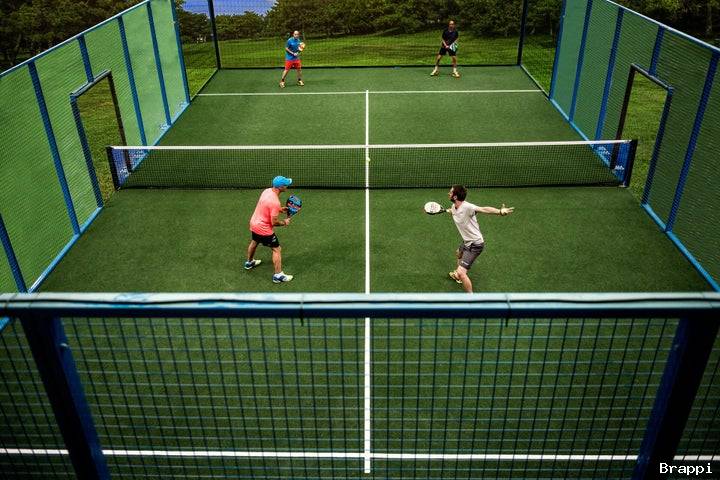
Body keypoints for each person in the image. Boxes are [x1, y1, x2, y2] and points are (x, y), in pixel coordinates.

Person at [443, 185, 514, 293]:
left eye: (451, 192)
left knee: (462, 273)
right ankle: (457, 276)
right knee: (458, 253)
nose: (448, 193)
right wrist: (450, 211)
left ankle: (472, 298)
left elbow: (483, 209)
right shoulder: (454, 207)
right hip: (467, 241)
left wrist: (499, 211)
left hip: (475, 244)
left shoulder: (468, 207)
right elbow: (455, 211)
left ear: (455, 197)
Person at [245, 176, 294, 283]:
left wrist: (279, 209)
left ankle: (249, 263)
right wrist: (284, 222)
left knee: (255, 241)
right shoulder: (275, 202)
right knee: (276, 249)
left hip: (254, 223)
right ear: (281, 187)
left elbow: (266, 206)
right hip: (263, 228)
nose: (287, 186)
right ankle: (278, 275)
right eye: (286, 184)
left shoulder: (267, 191)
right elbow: (274, 222)